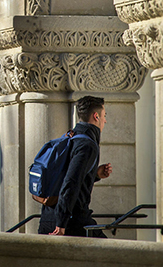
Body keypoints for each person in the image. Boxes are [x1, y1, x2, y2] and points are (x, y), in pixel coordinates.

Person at [38, 95, 113, 237]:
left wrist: (95, 174)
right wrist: (61, 223)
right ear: (96, 116)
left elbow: (66, 175)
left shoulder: (69, 137)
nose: (105, 120)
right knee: (111, 256)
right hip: (71, 222)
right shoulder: (87, 145)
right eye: (104, 115)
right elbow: (71, 182)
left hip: (48, 217)